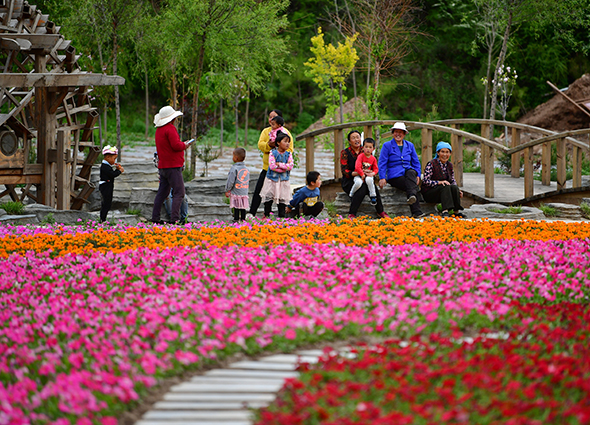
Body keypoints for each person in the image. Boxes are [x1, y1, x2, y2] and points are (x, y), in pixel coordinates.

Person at [248, 109, 294, 218]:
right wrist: (269, 146)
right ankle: (252, 213)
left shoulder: (286, 133)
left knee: (281, 193)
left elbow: (290, 149)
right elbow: (261, 145)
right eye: (269, 117)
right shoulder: (266, 131)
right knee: (261, 190)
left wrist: (279, 150)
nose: (270, 120)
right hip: (267, 168)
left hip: (282, 171)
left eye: (273, 117)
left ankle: (280, 216)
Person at [151, 105, 192, 224]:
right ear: (172, 119)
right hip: (173, 166)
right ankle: (175, 219)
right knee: (179, 192)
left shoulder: (159, 130)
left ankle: (155, 218)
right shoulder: (170, 128)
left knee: (162, 193)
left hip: (163, 166)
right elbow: (176, 146)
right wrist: (185, 145)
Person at [378, 122, 426, 218]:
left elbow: (416, 162)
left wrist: (418, 175)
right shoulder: (387, 145)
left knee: (412, 172)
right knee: (411, 185)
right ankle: (416, 210)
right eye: (396, 132)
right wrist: (382, 177)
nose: (398, 134)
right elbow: (382, 163)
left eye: (401, 132)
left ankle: (412, 198)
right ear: (392, 133)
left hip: (409, 173)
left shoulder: (410, 145)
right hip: (395, 176)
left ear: (404, 134)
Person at [340, 130, 388, 219]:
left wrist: (371, 172)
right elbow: (344, 171)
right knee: (362, 188)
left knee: (372, 186)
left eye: (357, 137)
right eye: (353, 138)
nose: (356, 140)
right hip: (350, 180)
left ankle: (380, 211)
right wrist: (359, 173)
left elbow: (373, 165)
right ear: (349, 141)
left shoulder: (366, 150)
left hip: (365, 178)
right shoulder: (345, 152)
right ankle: (352, 213)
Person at [421, 141, 466, 218]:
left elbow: (452, 180)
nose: (445, 154)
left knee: (454, 187)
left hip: (443, 192)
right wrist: (438, 182)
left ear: (450, 154)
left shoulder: (450, 165)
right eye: (442, 152)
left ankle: (456, 211)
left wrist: (458, 191)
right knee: (445, 185)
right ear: (438, 153)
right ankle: (445, 211)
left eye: (447, 152)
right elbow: (425, 181)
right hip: (430, 193)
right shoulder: (431, 164)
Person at [259, 131, 293, 218]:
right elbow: (272, 166)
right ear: (278, 142)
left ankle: (281, 218)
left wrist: (280, 165)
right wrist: (283, 167)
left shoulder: (289, 154)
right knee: (269, 198)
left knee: (282, 199)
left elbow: (290, 166)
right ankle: (266, 216)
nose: (287, 144)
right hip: (272, 180)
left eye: (288, 142)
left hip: (283, 180)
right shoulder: (272, 153)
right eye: (285, 141)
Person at [99, 145, 124, 222]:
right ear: (108, 157)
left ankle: (103, 218)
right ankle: (103, 219)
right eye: (114, 159)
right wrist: (119, 171)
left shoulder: (107, 166)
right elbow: (112, 174)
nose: (115, 161)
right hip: (105, 186)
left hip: (108, 186)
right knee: (106, 203)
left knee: (108, 202)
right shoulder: (105, 167)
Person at [350, 138, 379, 205]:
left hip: (368, 175)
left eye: (370, 147)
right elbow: (357, 167)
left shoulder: (373, 159)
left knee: (369, 180)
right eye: (366, 147)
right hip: (359, 175)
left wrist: (373, 173)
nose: (368, 149)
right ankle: (351, 194)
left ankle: (373, 196)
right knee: (358, 183)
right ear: (362, 148)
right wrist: (362, 174)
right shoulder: (360, 156)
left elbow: (376, 169)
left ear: (373, 149)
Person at [225, 147, 250, 222]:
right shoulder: (246, 169)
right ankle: (243, 220)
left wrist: (227, 189)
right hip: (244, 191)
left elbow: (231, 181)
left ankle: (236, 219)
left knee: (236, 206)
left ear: (236, 158)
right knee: (243, 207)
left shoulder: (234, 168)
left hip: (236, 191)